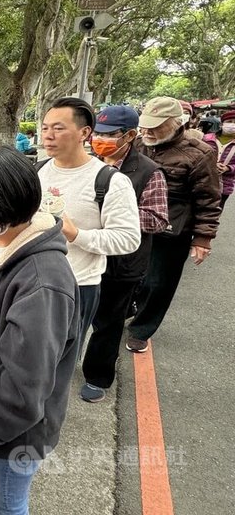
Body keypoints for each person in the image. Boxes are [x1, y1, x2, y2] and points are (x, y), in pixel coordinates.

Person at [0, 147, 81, 515]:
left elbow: (25, 382)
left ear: (13, 201)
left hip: (10, 433)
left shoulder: (42, 281)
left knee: (5, 502)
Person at [80, 106, 168, 403]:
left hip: (121, 263)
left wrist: (119, 214)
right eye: (97, 134)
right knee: (71, 317)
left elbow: (158, 219)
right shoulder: (88, 164)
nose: (100, 140)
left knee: (108, 322)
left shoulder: (148, 172)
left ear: (129, 136)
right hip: (85, 255)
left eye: (110, 135)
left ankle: (97, 376)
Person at [37, 97, 140, 343]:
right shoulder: (36, 171)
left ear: (84, 132)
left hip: (77, 286)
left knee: (60, 358)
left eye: (58, 128)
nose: (48, 135)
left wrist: (77, 235)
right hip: (31, 280)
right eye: (45, 127)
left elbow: (128, 239)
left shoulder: (110, 181)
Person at [127, 96, 221, 352]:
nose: (148, 131)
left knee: (159, 282)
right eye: (145, 125)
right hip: (138, 220)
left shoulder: (199, 154)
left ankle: (141, 329)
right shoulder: (137, 143)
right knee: (131, 274)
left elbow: (209, 199)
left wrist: (203, 238)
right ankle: (130, 309)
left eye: (156, 126)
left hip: (174, 228)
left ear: (176, 123)